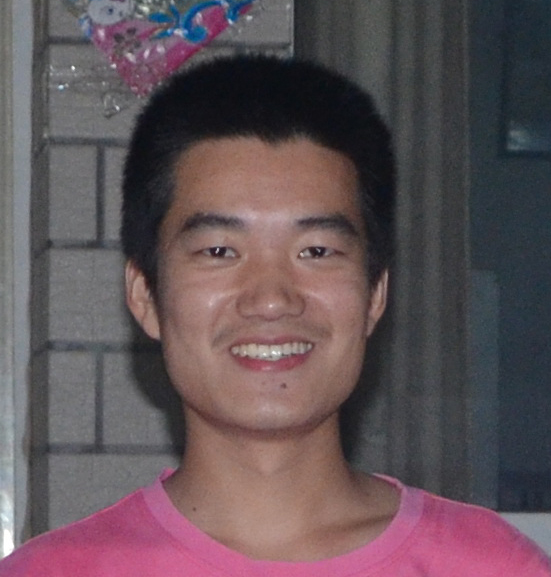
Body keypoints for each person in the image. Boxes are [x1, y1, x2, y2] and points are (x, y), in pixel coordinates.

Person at [1, 54, 549, 576]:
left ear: (375, 294)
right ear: (145, 295)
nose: (271, 299)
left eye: (316, 251)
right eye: (220, 251)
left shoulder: (495, 567)